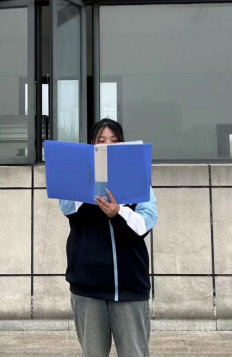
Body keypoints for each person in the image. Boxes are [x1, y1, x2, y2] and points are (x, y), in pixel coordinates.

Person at [59, 118, 158, 357]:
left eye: (114, 141)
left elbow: (146, 221)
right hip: (87, 286)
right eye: (101, 141)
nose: (108, 146)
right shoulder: (78, 178)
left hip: (130, 286)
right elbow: (66, 207)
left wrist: (118, 212)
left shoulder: (137, 178)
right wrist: (88, 182)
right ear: (92, 145)